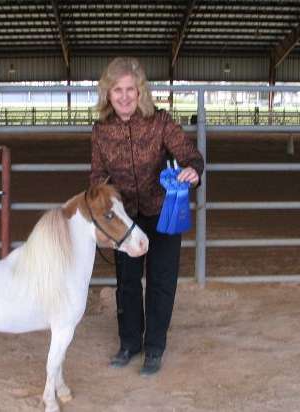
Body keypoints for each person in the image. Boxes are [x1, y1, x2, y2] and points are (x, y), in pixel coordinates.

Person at [90, 57, 204, 376]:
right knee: (126, 282)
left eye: (131, 89)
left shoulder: (161, 122)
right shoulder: (100, 132)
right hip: (125, 222)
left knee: (161, 282)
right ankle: (129, 343)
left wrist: (193, 169)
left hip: (163, 213)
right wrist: (105, 206)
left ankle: (154, 347)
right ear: (108, 94)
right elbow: (97, 176)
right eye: (117, 90)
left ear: (140, 92)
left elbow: (189, 154)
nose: (124, 96)